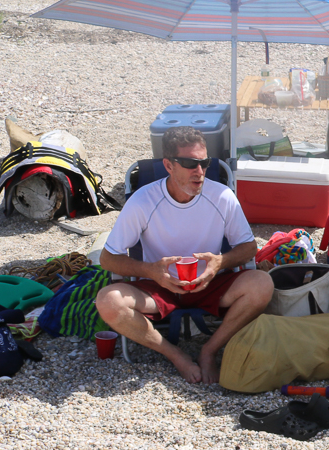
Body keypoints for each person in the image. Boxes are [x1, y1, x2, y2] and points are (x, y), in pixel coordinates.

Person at [95, 128, 273, 385]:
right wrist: (151, 271)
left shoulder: (221, 196)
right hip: (159, 287)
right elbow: (108, 258)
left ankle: (209, 349)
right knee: (108, 301)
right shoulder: (144, 200)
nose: (199, 171)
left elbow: (247, 248)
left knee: (262, 284)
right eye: (190, 163)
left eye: (204, 163)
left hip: (209, 283)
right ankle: (175, 354)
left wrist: (220, 263)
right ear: (168, 165)